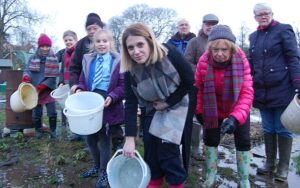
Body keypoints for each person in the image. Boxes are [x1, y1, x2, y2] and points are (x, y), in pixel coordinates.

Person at [121, 23, 196, 188]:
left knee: (168, 155)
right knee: (151, 155)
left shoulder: (169, 53)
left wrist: (167, 103)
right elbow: (131, 104)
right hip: (150, 109)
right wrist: (130, 138)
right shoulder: (129, 70)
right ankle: (153, 181)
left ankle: (176, 182)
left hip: (177, 106)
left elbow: (190, 82)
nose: (136, 51)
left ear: (149, 41)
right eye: (130, 47)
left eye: (140, 44)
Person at [194, 25, 253, 188]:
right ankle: (211, 174)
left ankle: (243, 178)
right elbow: (198, 88)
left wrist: (235, 118)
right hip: (213, 108)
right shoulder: (203, 62)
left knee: (243, 141)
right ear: (210, 49)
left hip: (238, 107)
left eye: (224, 50)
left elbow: (247, 92)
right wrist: (198, 111)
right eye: (215, 49)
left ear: (231, 49)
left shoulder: (242, 61)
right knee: (210, 139)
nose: (219, 54)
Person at [249, 3, 300, 182]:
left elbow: (293, 58)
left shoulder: (283, 30)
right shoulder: (253, 36)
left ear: (272, 14)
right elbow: (252, 64)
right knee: (268, 127)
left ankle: (283, 167)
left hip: (282, 89)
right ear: (254, 17)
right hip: (261, 90)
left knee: (283, 128)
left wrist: (298, 85)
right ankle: (270, 163)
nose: (263, 16)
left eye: (266, 13)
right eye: (259, 14)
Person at [74, 29, 125, 188]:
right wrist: (79, 89)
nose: (101, 44)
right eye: (98, 41)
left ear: (111, 43)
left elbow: (123, 86)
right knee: (89, 136)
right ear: (93, 44)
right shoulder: (88, 60)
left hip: (108, 103)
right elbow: (82, 80)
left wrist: (113, 96)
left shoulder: (118, 61)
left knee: (104, 138)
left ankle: (104, 172)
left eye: (105, 41)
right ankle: (96, 166)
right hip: (90, 102)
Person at [184, 13, 219, 161]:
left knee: (213, 118)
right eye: (207, 24)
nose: (210, 26)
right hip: (197, 86)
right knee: (196, 118)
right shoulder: (194, 42)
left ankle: (209, 148)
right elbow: (187, 62)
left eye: (213, 24)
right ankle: (195, 148)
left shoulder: (221, 42)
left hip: (216, 88)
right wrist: (203, 73)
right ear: (203, 25)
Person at [22, 34, 59, 139]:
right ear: (39, 46)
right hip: (34, 90)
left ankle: (53, 131)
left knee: (52, 113)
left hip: (47, 90)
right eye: (43, 46)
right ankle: (38, 131)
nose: (45, 48)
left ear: (50, 46)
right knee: (37, 114)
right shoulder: (32, 58)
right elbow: (27, 70)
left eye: (47, 46)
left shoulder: (54, 59)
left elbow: (53, 77)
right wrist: (26, 77)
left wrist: (43, 86)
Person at [56, 30, 84, 141]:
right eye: (66, 40)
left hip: (77, 85)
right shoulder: (64, 54)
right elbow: (62, 69)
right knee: (70, 108)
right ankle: (75, 132)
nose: (68, 42)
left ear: (76, 40)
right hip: (67, 84)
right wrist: (61, 81)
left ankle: (83, 133)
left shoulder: (80, 52)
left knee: (79, 108)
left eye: (70, 40)